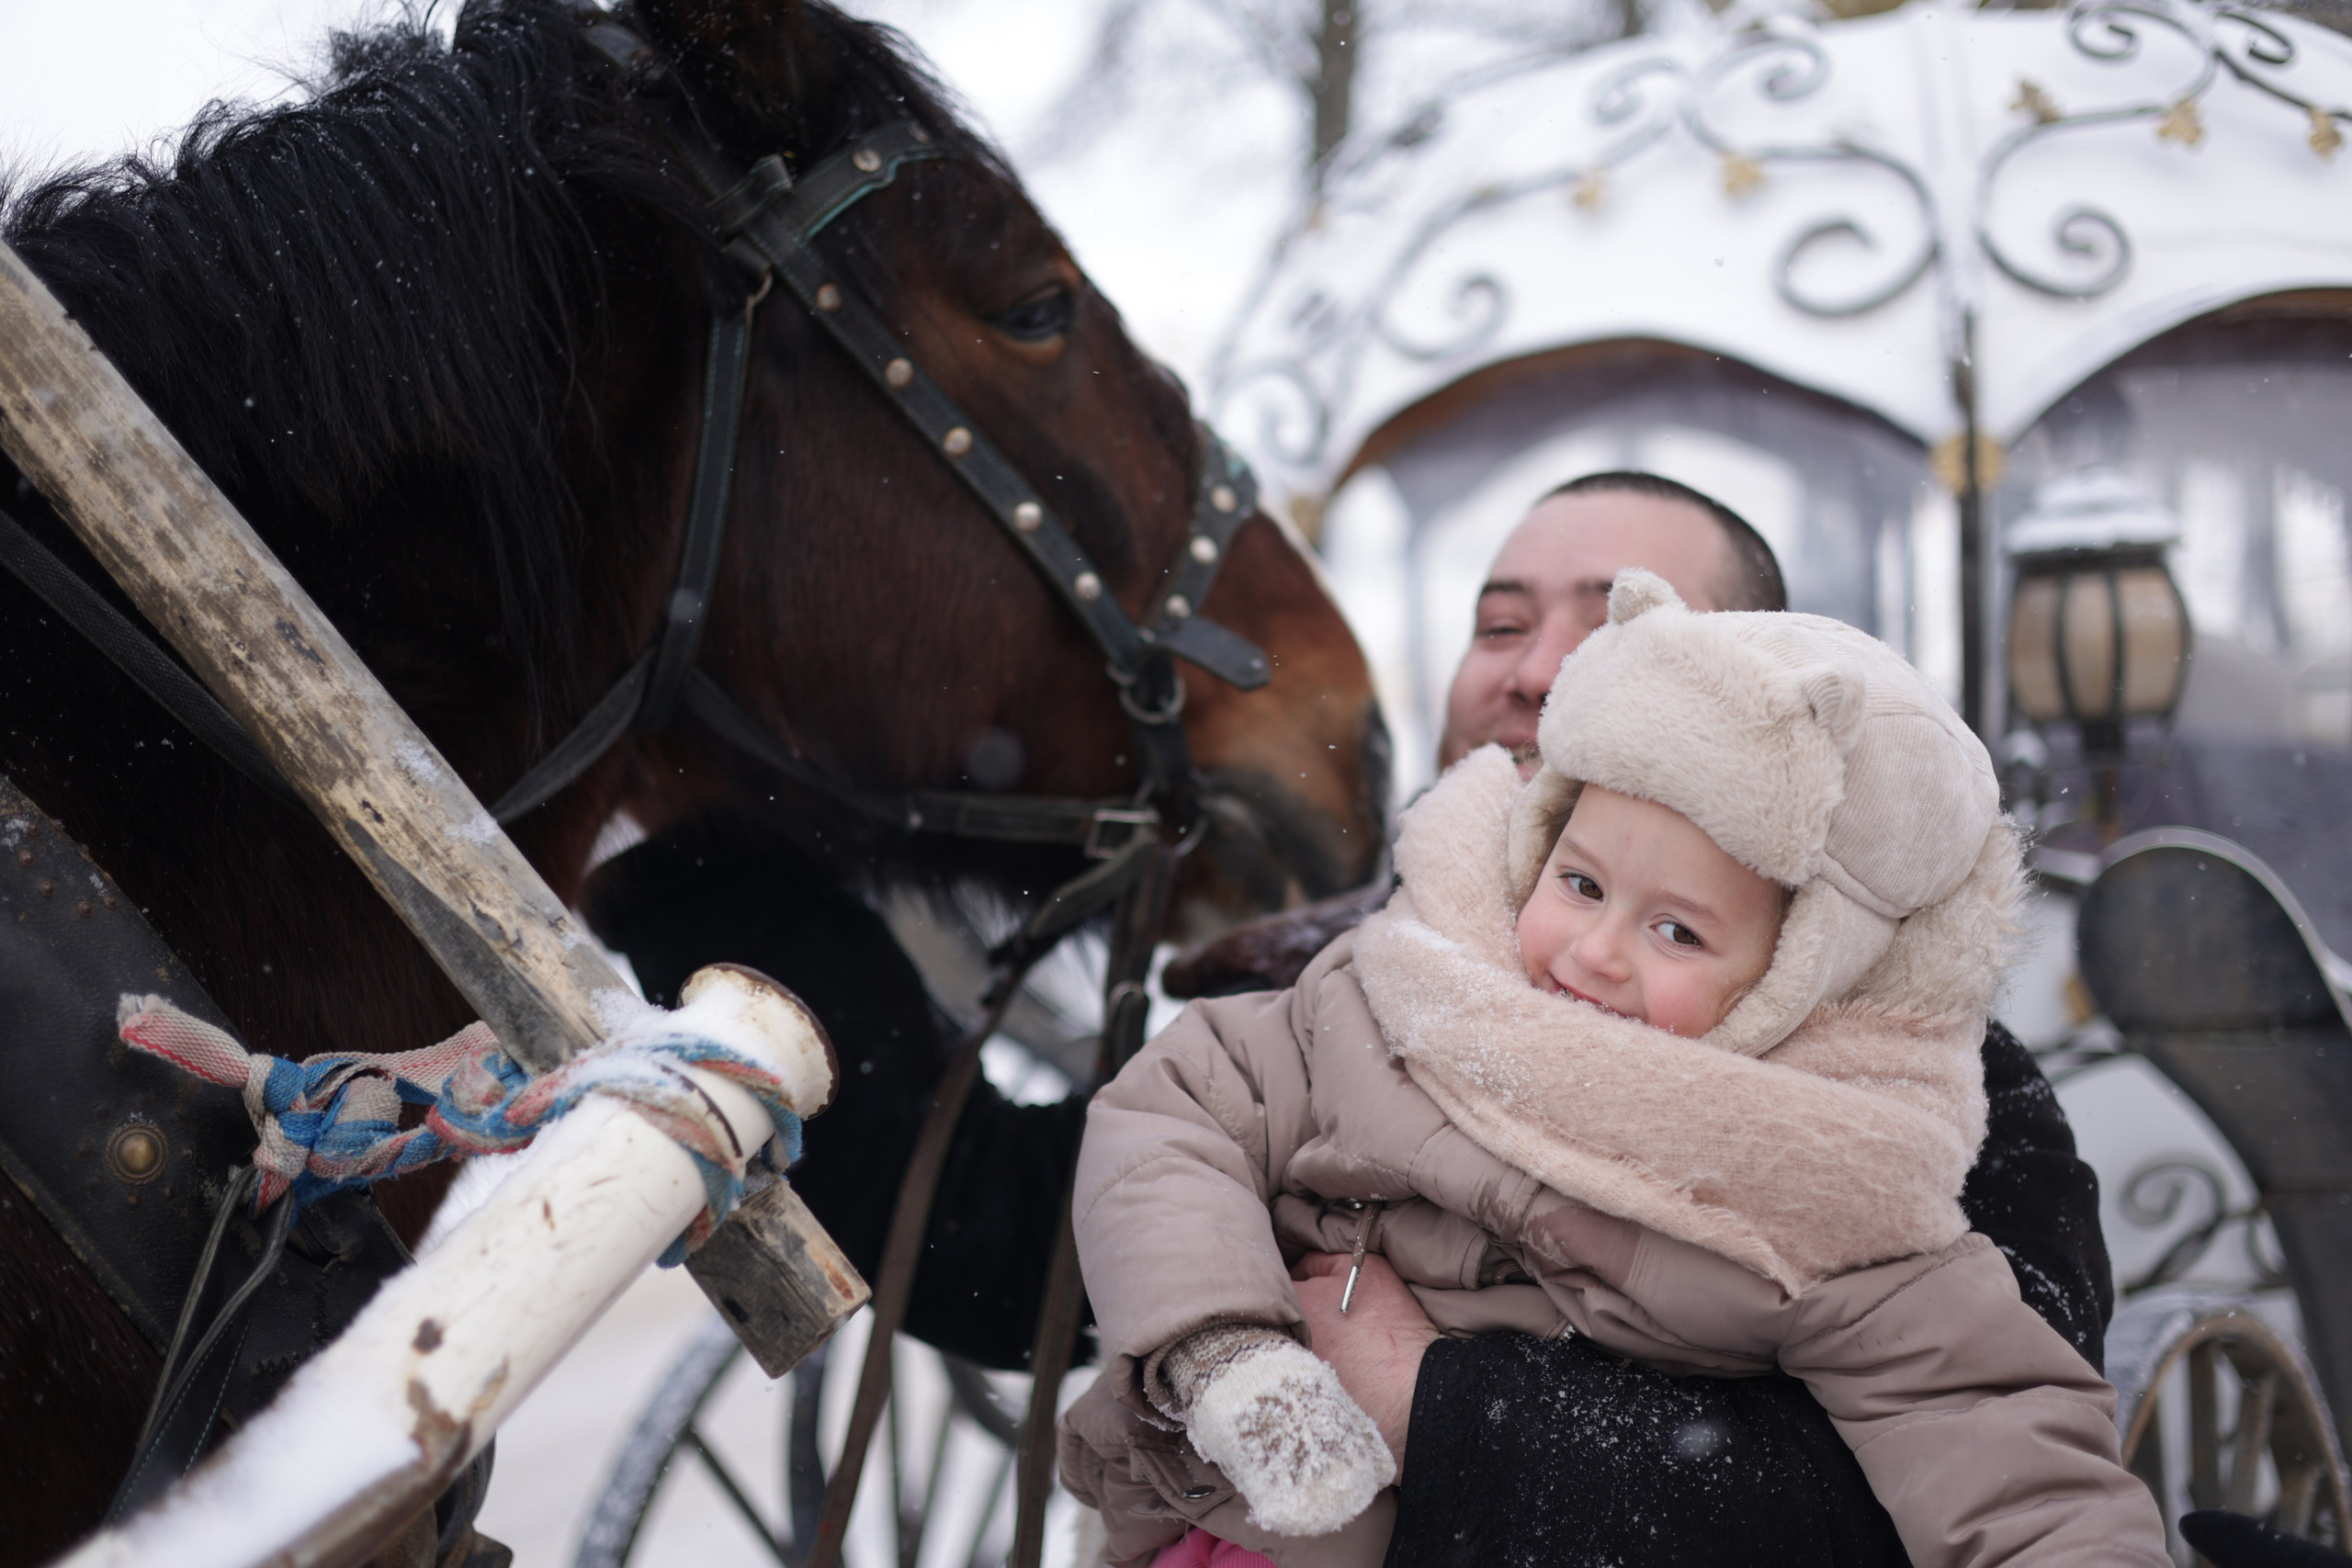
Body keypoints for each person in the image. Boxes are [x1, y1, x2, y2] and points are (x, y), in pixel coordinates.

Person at [1059, 571, 2165, 1568]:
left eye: (1678, 934)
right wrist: (1222, 1345)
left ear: (1798, 975)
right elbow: (1174, 1111)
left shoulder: (1832, 1176)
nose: (1594, 953)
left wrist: (1440, 1408)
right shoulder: (1403, 987)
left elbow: (1996, 1439)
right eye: (1579, 885)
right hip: (1235, 1521)